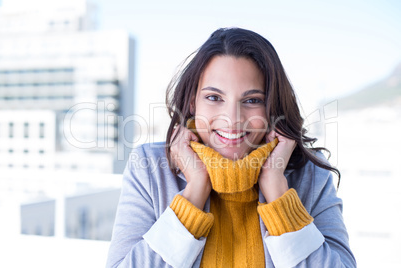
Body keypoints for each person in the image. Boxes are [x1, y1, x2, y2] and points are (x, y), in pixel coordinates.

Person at [106, 27, 356, 268]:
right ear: (193, 103)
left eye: (252, 100)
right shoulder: (150, 167)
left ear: (272, 107)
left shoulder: (311, 174)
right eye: (214, 98)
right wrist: (194, 191)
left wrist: (278, 193)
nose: (232, 118)